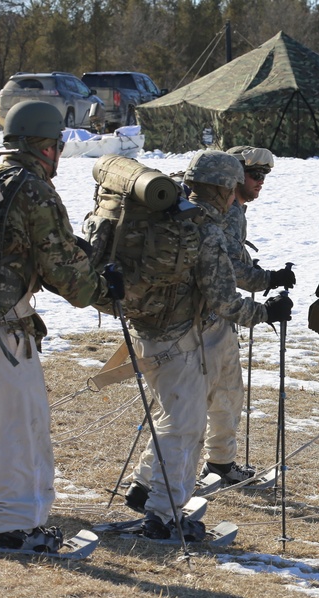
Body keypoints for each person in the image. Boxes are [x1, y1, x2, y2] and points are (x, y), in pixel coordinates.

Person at [0, 100, 119, 552]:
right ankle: (17, 526)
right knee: (22, 420)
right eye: (55, 144)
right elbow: (63, 271)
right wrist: (108, 292)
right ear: (45, 145)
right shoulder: (32, 187)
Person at [121, 149, 292, 539]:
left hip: (147, 331)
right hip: (182, 339)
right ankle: (165, 517)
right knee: (186, 427)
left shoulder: (164, 216)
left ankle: (148, 492)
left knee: (173, 419)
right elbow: (223, 301)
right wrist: (267, 312)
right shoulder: (206, 229)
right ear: (224, 189)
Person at [193, 145, 294, 486]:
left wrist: (269, 278)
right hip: (206, 317)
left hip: (215, 315)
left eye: (265, 175)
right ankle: (168, 482)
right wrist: (267, 284)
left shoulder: (229, 208)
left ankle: (220, 463)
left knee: (226, 393)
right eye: (254, 174)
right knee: (204, 401)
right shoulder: (229, 211)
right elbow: (233, 270)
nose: (260, 181)